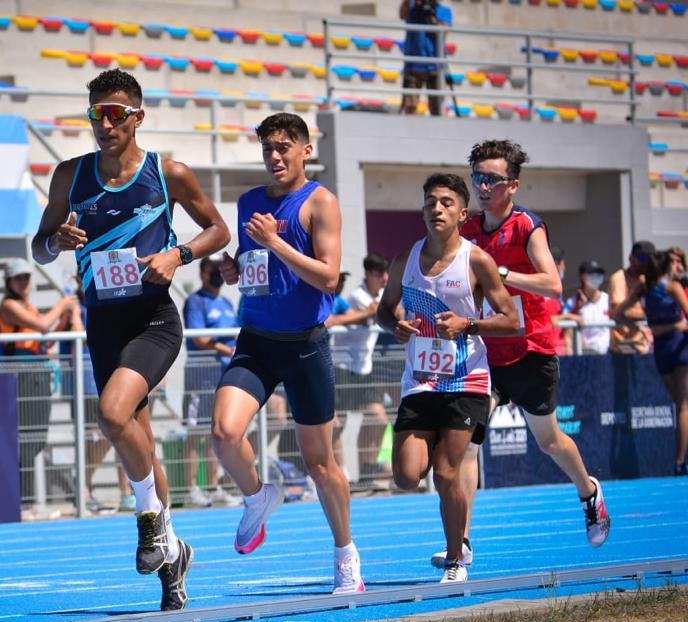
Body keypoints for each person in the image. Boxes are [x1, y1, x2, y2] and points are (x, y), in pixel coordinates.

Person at [30, 69, 230, 611]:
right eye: (96, 113)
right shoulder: (70, 176)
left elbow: (218, 232)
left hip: (153, 320)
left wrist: (178, 255)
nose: (105, 123)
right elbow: (38, 249)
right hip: (103, 323)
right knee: (136, 436)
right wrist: (55, 239)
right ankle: (174, 561)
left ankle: (150, 524)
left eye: (116, 113)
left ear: (138, 117)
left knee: (113, 415)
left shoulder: (168, 173)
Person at [211, 112, 365, 595]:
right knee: (223, 432)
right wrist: (234, 269)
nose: (274, 157)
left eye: (283, 147)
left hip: (304, 345)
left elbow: (328, 277)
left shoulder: (321, 203)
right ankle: (258, 498)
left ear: (305, 150)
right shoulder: (250, 201)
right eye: (267, 149)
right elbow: (254, 263)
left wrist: (275, 241)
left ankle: (345, 556)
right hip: (256, 339)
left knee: (321, 465)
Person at [444, 139, 611, 570]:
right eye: (477, 178)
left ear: (512, 185)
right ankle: (460, 544)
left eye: (491, 179)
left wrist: (501, 272)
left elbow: (553, 285)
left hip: (531, 349)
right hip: (484, 349)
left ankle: (589, 491)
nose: (481, 186)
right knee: (465, 447)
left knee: (549, 441)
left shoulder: (527, 227)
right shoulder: (467, 231)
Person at [378, 173, 520, 582]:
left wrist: (468, 325)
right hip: (421, 381)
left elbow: (511, 320)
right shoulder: (406, 257)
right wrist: (396, 326)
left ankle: (457, 558)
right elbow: (385, 311)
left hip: (466, 380)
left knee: (446, 472)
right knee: (406, 476)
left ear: (462, 213)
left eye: (444, 202)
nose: (435, 209)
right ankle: (436, 452)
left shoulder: (476, 260)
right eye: (429, 202)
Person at [0, 257, 80, 503]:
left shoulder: (27, 305)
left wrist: (65, 317)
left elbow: (44, 339)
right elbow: (43, 325)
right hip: (22, 373)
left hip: (36, 371)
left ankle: (26, 499)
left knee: (36, 438)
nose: (23, 282)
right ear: (9, 282)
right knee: (27, 439)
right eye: (18, 278)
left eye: (26, 277)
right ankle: (23, 500)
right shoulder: (9, 305)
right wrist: (62, 305)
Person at [58, 279, 136, 513]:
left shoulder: (104, 303)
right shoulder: (72, 309)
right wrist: (72, 313)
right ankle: (84, 488)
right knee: (95, 438)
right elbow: (75, 338)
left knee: (116, 434)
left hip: (107, 380)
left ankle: (121, 491)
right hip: (83, 384)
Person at [327, 254, 390, 483]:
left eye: (385, 273)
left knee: (378, 418)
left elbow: (389, 312)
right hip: (342, 366)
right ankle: (340, 475)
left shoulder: (381, 296)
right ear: (368, 275)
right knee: (337, 424)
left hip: (364, 367)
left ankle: (367, 469)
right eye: (378, 274)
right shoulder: (356, 297)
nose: (384, 278)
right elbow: (334, 320)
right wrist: (370, 312)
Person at [182, 256, 239, 507]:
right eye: (213, 269)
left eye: (220, 269)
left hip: (224, 377)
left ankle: (214, 486)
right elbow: (199, 339)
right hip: (201, 376)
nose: (218, 273)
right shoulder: (195, 302)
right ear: (203, 272)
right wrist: (226, 350)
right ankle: (191, 488)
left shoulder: (227, 302)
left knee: (217, 432)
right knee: (196, 432)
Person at [637, 250, 688, 475]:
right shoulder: (672, 288)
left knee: (680, 405)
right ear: (666, 266)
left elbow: (619, 312)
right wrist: (677, 326)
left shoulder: (645, 289)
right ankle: (680, 461)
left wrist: (658, 328)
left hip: (662, 350)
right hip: (678, 347)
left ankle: (680, 459)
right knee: (683, 406)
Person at [399, 0, 453, 116]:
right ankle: (409, 132)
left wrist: (430, 16)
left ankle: (437, 133)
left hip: (435, 66)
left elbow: (443, 32)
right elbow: (402, 14)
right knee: (410, 107)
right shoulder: (412, 7)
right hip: (413, 65)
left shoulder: (443, 10)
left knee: (437, 108)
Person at [608, 241, 654, 355]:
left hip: (645, 346)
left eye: (650, 259)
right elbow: (619, 311)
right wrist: (651, 314)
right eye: (642, 258)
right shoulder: (618, 278)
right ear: (630, 258)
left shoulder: (649, 279)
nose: (646, 263)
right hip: (623, 346)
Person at [562, 260, 611, 356]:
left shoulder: (608, 300)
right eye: (592, 273)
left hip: (606, 356)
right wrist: (576, 310)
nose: (596, 276)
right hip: (583, 357)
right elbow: (564, 329)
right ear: (582, 276)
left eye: (599, 273)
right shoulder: (571, 302)